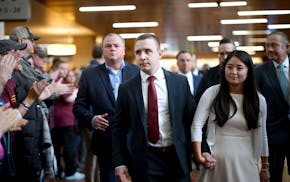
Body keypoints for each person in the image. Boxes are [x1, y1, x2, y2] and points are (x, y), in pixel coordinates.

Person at [112, 34, 195, 182]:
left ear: (160, 53)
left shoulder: (179, 83)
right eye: (138, 52)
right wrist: (120, 162)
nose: (142, 57)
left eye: (147, 51)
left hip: (177, 157)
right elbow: (118, 129)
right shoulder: (126, 89)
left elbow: (192, 121)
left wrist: (203, 151)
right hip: (145, 159)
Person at [191, 50, 269, 182]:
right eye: (229, 67)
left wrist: (265, 167)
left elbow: (263, 134)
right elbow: (196, 125)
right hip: (216, 161)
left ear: (249, 70)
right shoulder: (212, 92)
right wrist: (199, 156)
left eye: (239, 68)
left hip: (247, 161)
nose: (233, 72)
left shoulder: (258, 99)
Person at [73, 33, 139, 182]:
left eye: (116, 45)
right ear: (103, 51)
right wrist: (92, 119)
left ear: (123, 50)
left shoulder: (137, 72)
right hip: (106, 141)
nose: (112, 49)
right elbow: (78, 107)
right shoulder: (89, 75)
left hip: (135, 140)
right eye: (108, 46)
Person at [194, 37, 236, 166]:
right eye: (221, 53)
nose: (224, 57)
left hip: (238, 133)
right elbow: (197, 106)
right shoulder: (209, 75)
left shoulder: (244, 75)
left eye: (228, 53)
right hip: (214, 134)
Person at [255, 31, 290, 182]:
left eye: (274, 45)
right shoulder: (259, 72)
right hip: (273, 134)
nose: (269, 49)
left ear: (287, 47)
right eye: (267, 46)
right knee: (274, 176)